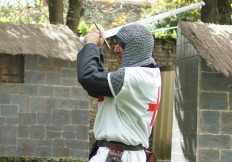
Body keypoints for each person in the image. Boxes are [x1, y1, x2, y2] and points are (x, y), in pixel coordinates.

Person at [77, 24, 161, 162]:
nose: (115, 49)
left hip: (119, 156)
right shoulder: (148, 74)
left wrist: (90, 44)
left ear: (135, 49)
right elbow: (96, 87)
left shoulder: (134, 77)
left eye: (121, 45)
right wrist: (97, 49)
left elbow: (89, 78)